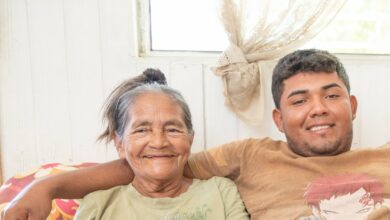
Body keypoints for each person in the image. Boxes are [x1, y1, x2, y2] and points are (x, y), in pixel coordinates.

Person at [3, 49, 390, 219]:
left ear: (352, 106)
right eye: (300, 100)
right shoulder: (252, 156)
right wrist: (47, 188)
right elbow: (155, 165)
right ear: (278, 118)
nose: (318, 108)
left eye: (332, 95)